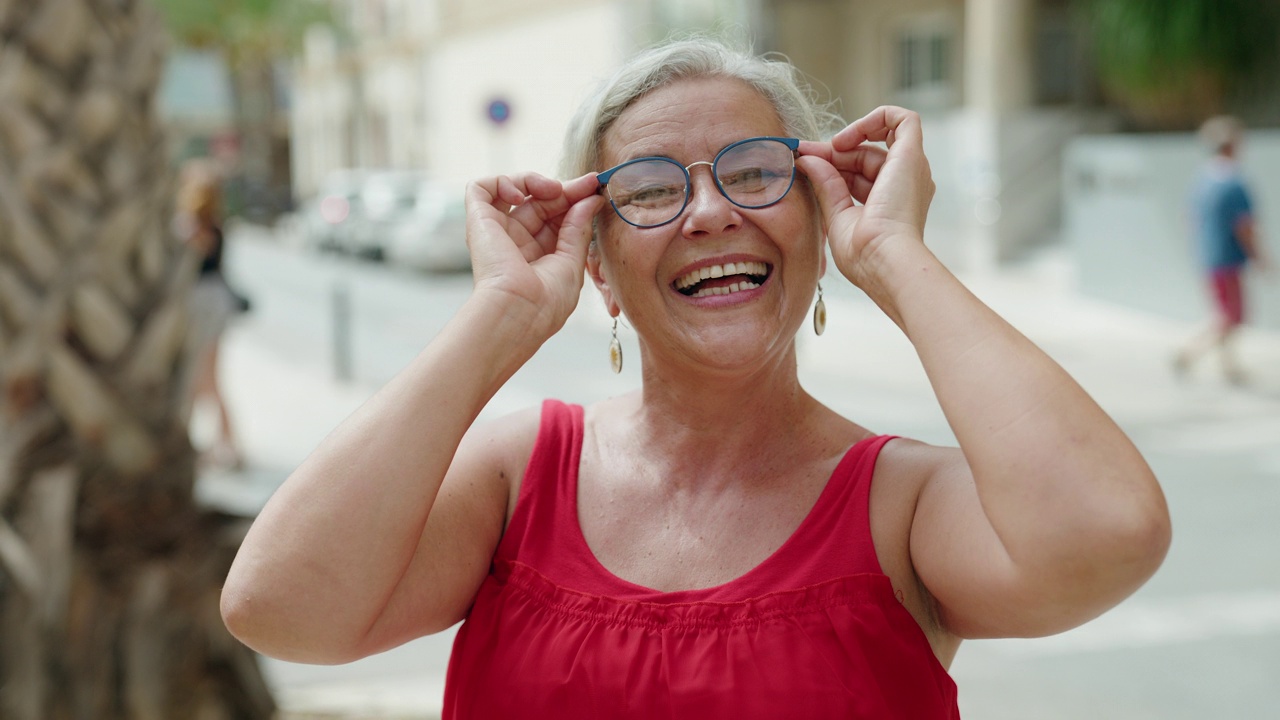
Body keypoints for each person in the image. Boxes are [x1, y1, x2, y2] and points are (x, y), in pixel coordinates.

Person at [221, 38, 1171, 717]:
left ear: (818, 215)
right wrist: (501, 315)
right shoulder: (519, 478)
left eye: (755, 173)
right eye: (647, 190)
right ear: (597, 262)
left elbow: (1106, 534)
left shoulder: (902, 506)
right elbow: (279, 608)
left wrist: (890, 254)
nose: (710, 213)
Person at [1174, 115, 1270, 384]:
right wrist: (1260, 257)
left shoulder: (1202, 179)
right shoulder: (1234, 181)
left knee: (1227, 313)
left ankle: (1228, 365)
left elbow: (1188, 218)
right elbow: (1245, 226)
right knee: (1231, 316)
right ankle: (1189, 352)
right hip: (1228, 259)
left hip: (1209, 258)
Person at [179, 162, 246, 469]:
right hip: (211, 302)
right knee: (205, 380)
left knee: (206, 379)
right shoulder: (213, 223)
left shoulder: (200, 227)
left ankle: (226, 446)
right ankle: (220, 445)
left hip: (204, 303)